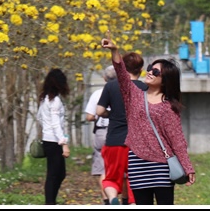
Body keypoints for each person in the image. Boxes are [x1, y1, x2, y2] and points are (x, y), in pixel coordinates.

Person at [101, 36, 196, 205]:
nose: (150, 72)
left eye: (156, 71)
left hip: (161, 166)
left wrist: (187, 167)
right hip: (137, 164)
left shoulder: (168, 106)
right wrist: (115, 51)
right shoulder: (134, 95)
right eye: (151, 68)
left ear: (165, 79)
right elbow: (122, 74)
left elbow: (177, 139)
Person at [96, 52, 147, 205]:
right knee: (135, 180)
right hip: (137, 143)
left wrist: (112, 114)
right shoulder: (145, 88)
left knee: (111, 178)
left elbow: (99, 111)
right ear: (141, 69)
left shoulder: (111, 86)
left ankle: (112, 198)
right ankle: (131, 203)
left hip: (114, 141)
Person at [36, 68, 70, 205]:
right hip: (54, 142)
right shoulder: (55, 101)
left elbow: (39, 117)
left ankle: (51, 202)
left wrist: (47, 129)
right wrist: (64, 144)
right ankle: (49, 203)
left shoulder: (45, 99)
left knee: (58, 174)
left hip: (48, 140)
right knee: (54, 175)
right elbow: (56, 124)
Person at [84, 66, 112, 204]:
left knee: (103, 169)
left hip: (101, 132)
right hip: (119, 132)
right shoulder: (123, 93)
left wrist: (99, 116)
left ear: (104, 78)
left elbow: (89, 117)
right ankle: (125, 201)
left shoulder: (97, 94)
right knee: (123, 168)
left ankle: (106, 201)